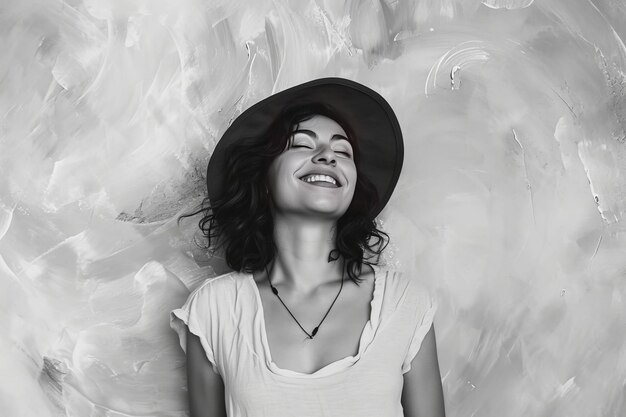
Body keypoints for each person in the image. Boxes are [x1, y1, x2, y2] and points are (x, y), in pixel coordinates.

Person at [171, 78, 445, 417]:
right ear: (264, 178)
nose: (328, 156)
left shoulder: (405, 302)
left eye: (343, 151)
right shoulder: (213, 309)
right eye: (302, 145)